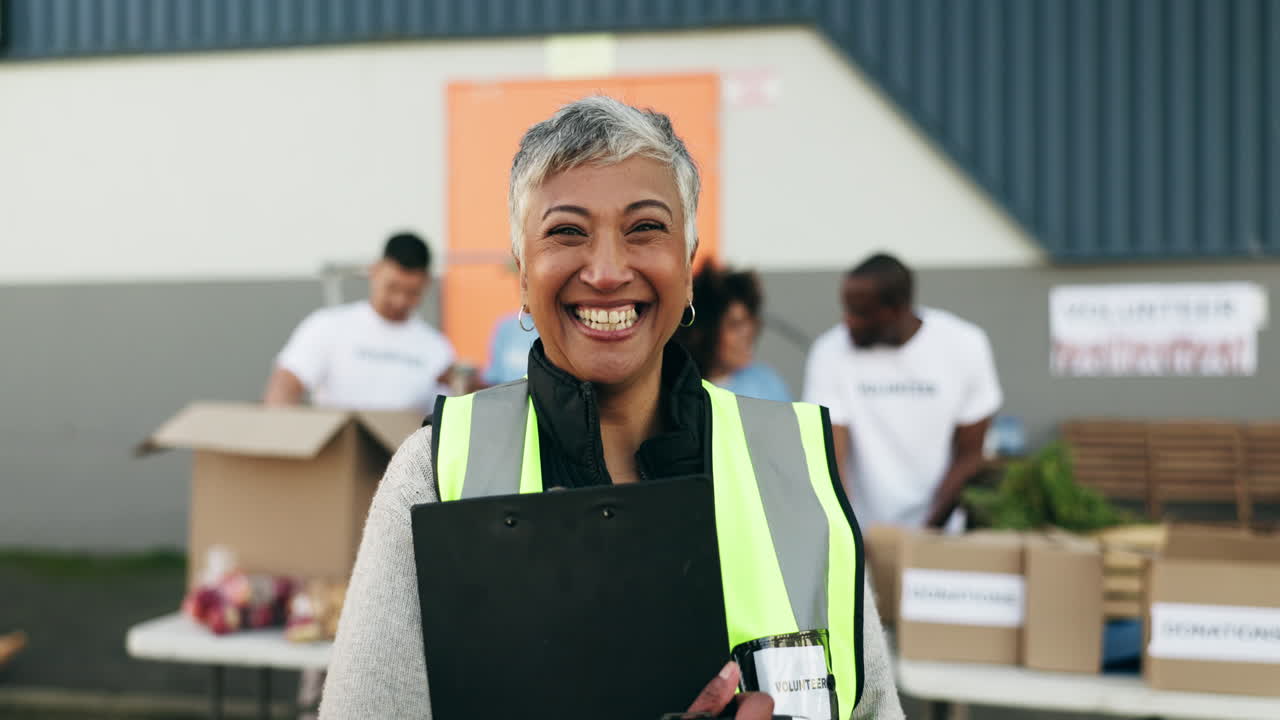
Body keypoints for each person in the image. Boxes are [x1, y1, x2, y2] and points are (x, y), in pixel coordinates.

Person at [320, 97, 903, 720]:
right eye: (566, 231)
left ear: (687, 264)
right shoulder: (435, 472)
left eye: (645, 227)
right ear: (523, 274)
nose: (605, 271)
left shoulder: (797, 467)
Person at [803, 253, 1002, 531]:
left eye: (860, 313)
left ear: (897, 309)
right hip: (860, 532)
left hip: (940, 532)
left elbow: (969, 454)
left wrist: (927, 533)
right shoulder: (829, 352)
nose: (848, 322)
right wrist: (849, 536)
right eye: (846, 309)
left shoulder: (965, 345)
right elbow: (830, 457)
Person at [263, 233, 456, 413]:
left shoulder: (436, 347)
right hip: (341, 437)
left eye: (412, 292)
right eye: (392, 288)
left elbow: (447, 411)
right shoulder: (328, 326)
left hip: (408, 438)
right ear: (375, 271)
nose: (400, 301)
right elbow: (285, 384)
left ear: (426, 283)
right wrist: (283, 425)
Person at [676, 265, 791, 402]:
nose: (748, 332)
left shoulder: (766, 383)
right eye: (735, 325)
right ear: (702, 333)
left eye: (749, 320)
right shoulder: (679, 390)